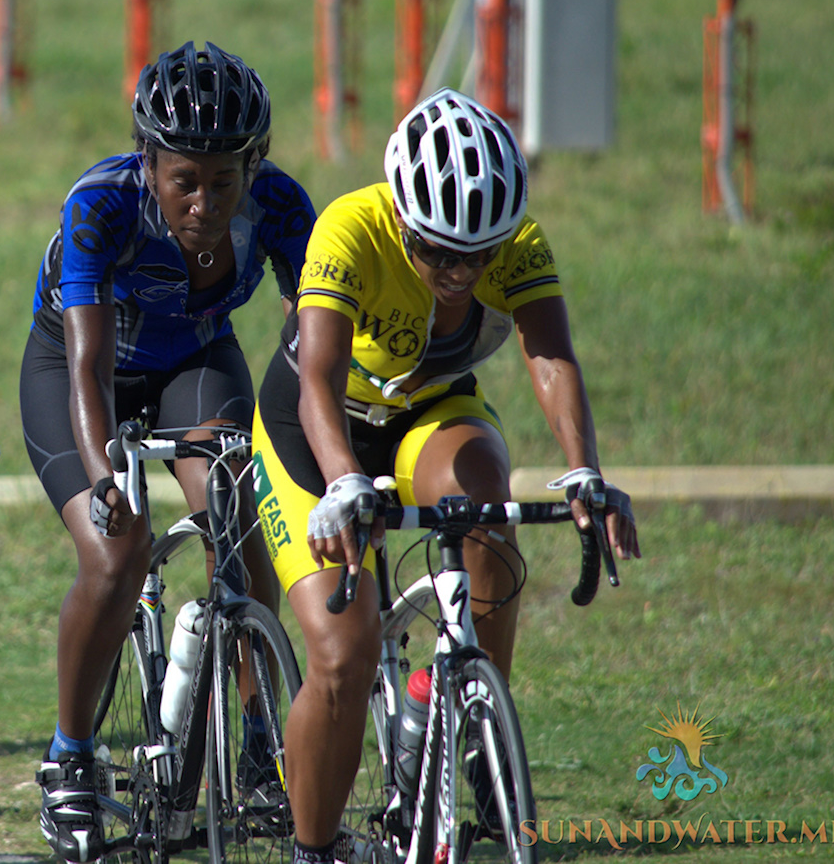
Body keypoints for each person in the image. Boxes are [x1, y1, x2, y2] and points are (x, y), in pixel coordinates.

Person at [249, 88, 641, 864]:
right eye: (436, 252)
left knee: (488, 510)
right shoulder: (349, 229)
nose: (459, 271)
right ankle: (314, 847)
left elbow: (550, 353)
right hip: (313, 425)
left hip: (427, 409)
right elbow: (318, 379)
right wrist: (342, 481)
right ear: (400, 218)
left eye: (479, 253)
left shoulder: (518, 242)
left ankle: (466, 712)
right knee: (342, 651)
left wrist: (584, 470)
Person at [19, 41, 316, 862]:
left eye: (226, 181)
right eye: (185, 179)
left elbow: (314, 338)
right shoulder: (101, 204)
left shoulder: (284, 206)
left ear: (253, 168)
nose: (205, 203)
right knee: (116, 557)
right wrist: (107, 472)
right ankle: (69, 757)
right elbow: (83, 364)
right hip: (80, 371)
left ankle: (258, 737)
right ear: (148, 161)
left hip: (193, 359)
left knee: (237, 511)